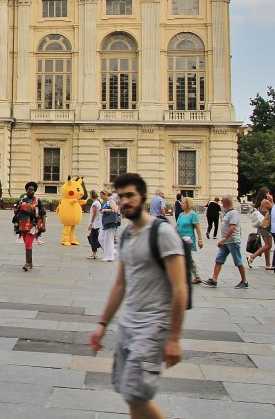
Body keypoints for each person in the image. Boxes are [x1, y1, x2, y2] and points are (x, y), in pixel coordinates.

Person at [90, 173, 187, 418]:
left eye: (130, 195)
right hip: (128, 325)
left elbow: (179, 287)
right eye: (121, 196)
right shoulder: (127, 235)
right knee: (130, 395)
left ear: (142, 197)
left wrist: (174, 337)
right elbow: (120, 285)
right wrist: (102, 324)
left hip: (153, 327)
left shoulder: (162, 234)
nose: (125, 201)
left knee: (135, 395)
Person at [203, 196, 248, 288]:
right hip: (226, 242)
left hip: (232, 241)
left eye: (222, 201)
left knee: (238, 261)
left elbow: (232, 227)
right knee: (219, 259)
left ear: (227, 202)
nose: (221, 203)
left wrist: (224, 239)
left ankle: (244, 281)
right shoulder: (227, 213)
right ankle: (214, 279)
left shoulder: (233, 213)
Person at [12, 181, 46, 271]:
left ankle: (27, 263)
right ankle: (30, 262)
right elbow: (15, 210)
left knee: (28, 242)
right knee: (27, 244)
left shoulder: (37, 200)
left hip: (33, 225)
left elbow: (43, 213)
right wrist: (18, 208)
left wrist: (44, 225)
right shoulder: (22, 199)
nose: (30, 191)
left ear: (34, 191)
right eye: (29, 189)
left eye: (32, 190)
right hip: (22, 225)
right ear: (26, 190)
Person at [175, 196, 204, 284]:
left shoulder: (193, 215)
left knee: (183, 257)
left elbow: (198, 228)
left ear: (188, 204)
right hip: (179, 238)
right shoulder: (181, 214)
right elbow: (177, 226)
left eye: (183, 203)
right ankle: (196, 276)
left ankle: (184, 277)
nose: (181, 204)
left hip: (188, 239)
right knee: (187, 258)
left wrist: (200, 240)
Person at [247, 187, 275, 270]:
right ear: (265, 194)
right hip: (266, 226)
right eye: (268, 193)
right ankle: (252, 257)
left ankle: (267, 264)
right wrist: (272, 200)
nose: (270, 195)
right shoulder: (266, 202)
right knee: (268, 245)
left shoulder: (260, 202)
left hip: (262, 225)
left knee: (267, 245)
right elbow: (274, 210)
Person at [99, 190, 120, 262]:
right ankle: (111, 252)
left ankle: (110, 256)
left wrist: (105, 210)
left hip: (110, 222)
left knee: (109, 239)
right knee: (101, 238)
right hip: (106, 222)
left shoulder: (111, 201)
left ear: (106, 195)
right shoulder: (108, 201)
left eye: (102, 196)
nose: (101, 197)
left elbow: (115, 210)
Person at [86, 191, 103, 259]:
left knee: (93, 238)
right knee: (94, 238)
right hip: (97, 223)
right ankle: (94, 253)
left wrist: (91, 224)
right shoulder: (97, 202)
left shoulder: (95, 204)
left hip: (95, 224)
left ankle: (94, 253)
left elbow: (94, 214)